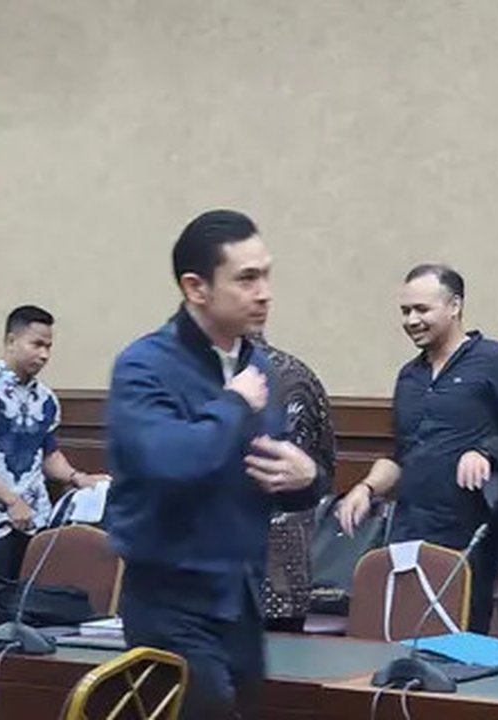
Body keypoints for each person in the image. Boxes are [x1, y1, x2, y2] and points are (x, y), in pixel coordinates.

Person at [106, 209, 320, 718]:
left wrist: (306, 478)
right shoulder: (143, 366)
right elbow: (170, 462)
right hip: (169, 601)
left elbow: (268, 473)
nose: (264, 292)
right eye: (246, 279)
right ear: (195, 287)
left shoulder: (258, 366)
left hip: (241, 597)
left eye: (266, 274)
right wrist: (233, 403)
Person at [335, 264, 498, 633]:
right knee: (407, 635)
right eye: (405, 311)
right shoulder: (409, 376)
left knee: (463, 643)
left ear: (454, 306)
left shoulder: (495, 361)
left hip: (473, 539)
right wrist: (366, 488)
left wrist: (487, 452)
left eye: (422, 309)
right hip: (411, 533)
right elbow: (400, 455)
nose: (411, 320)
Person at [0, 305, 111, 579]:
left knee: (33, 595)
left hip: (36, 520)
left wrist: (77, 477)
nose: (44, 355)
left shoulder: (46, 400)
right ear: (11, 341)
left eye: (48, 347)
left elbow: (48, 454)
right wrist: (11, 501)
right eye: (36, 344)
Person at [253, 334, 336, 631]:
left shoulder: (208, 379)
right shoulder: (298, 372)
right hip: (290, 573)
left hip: (231, 570)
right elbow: (326, 465)